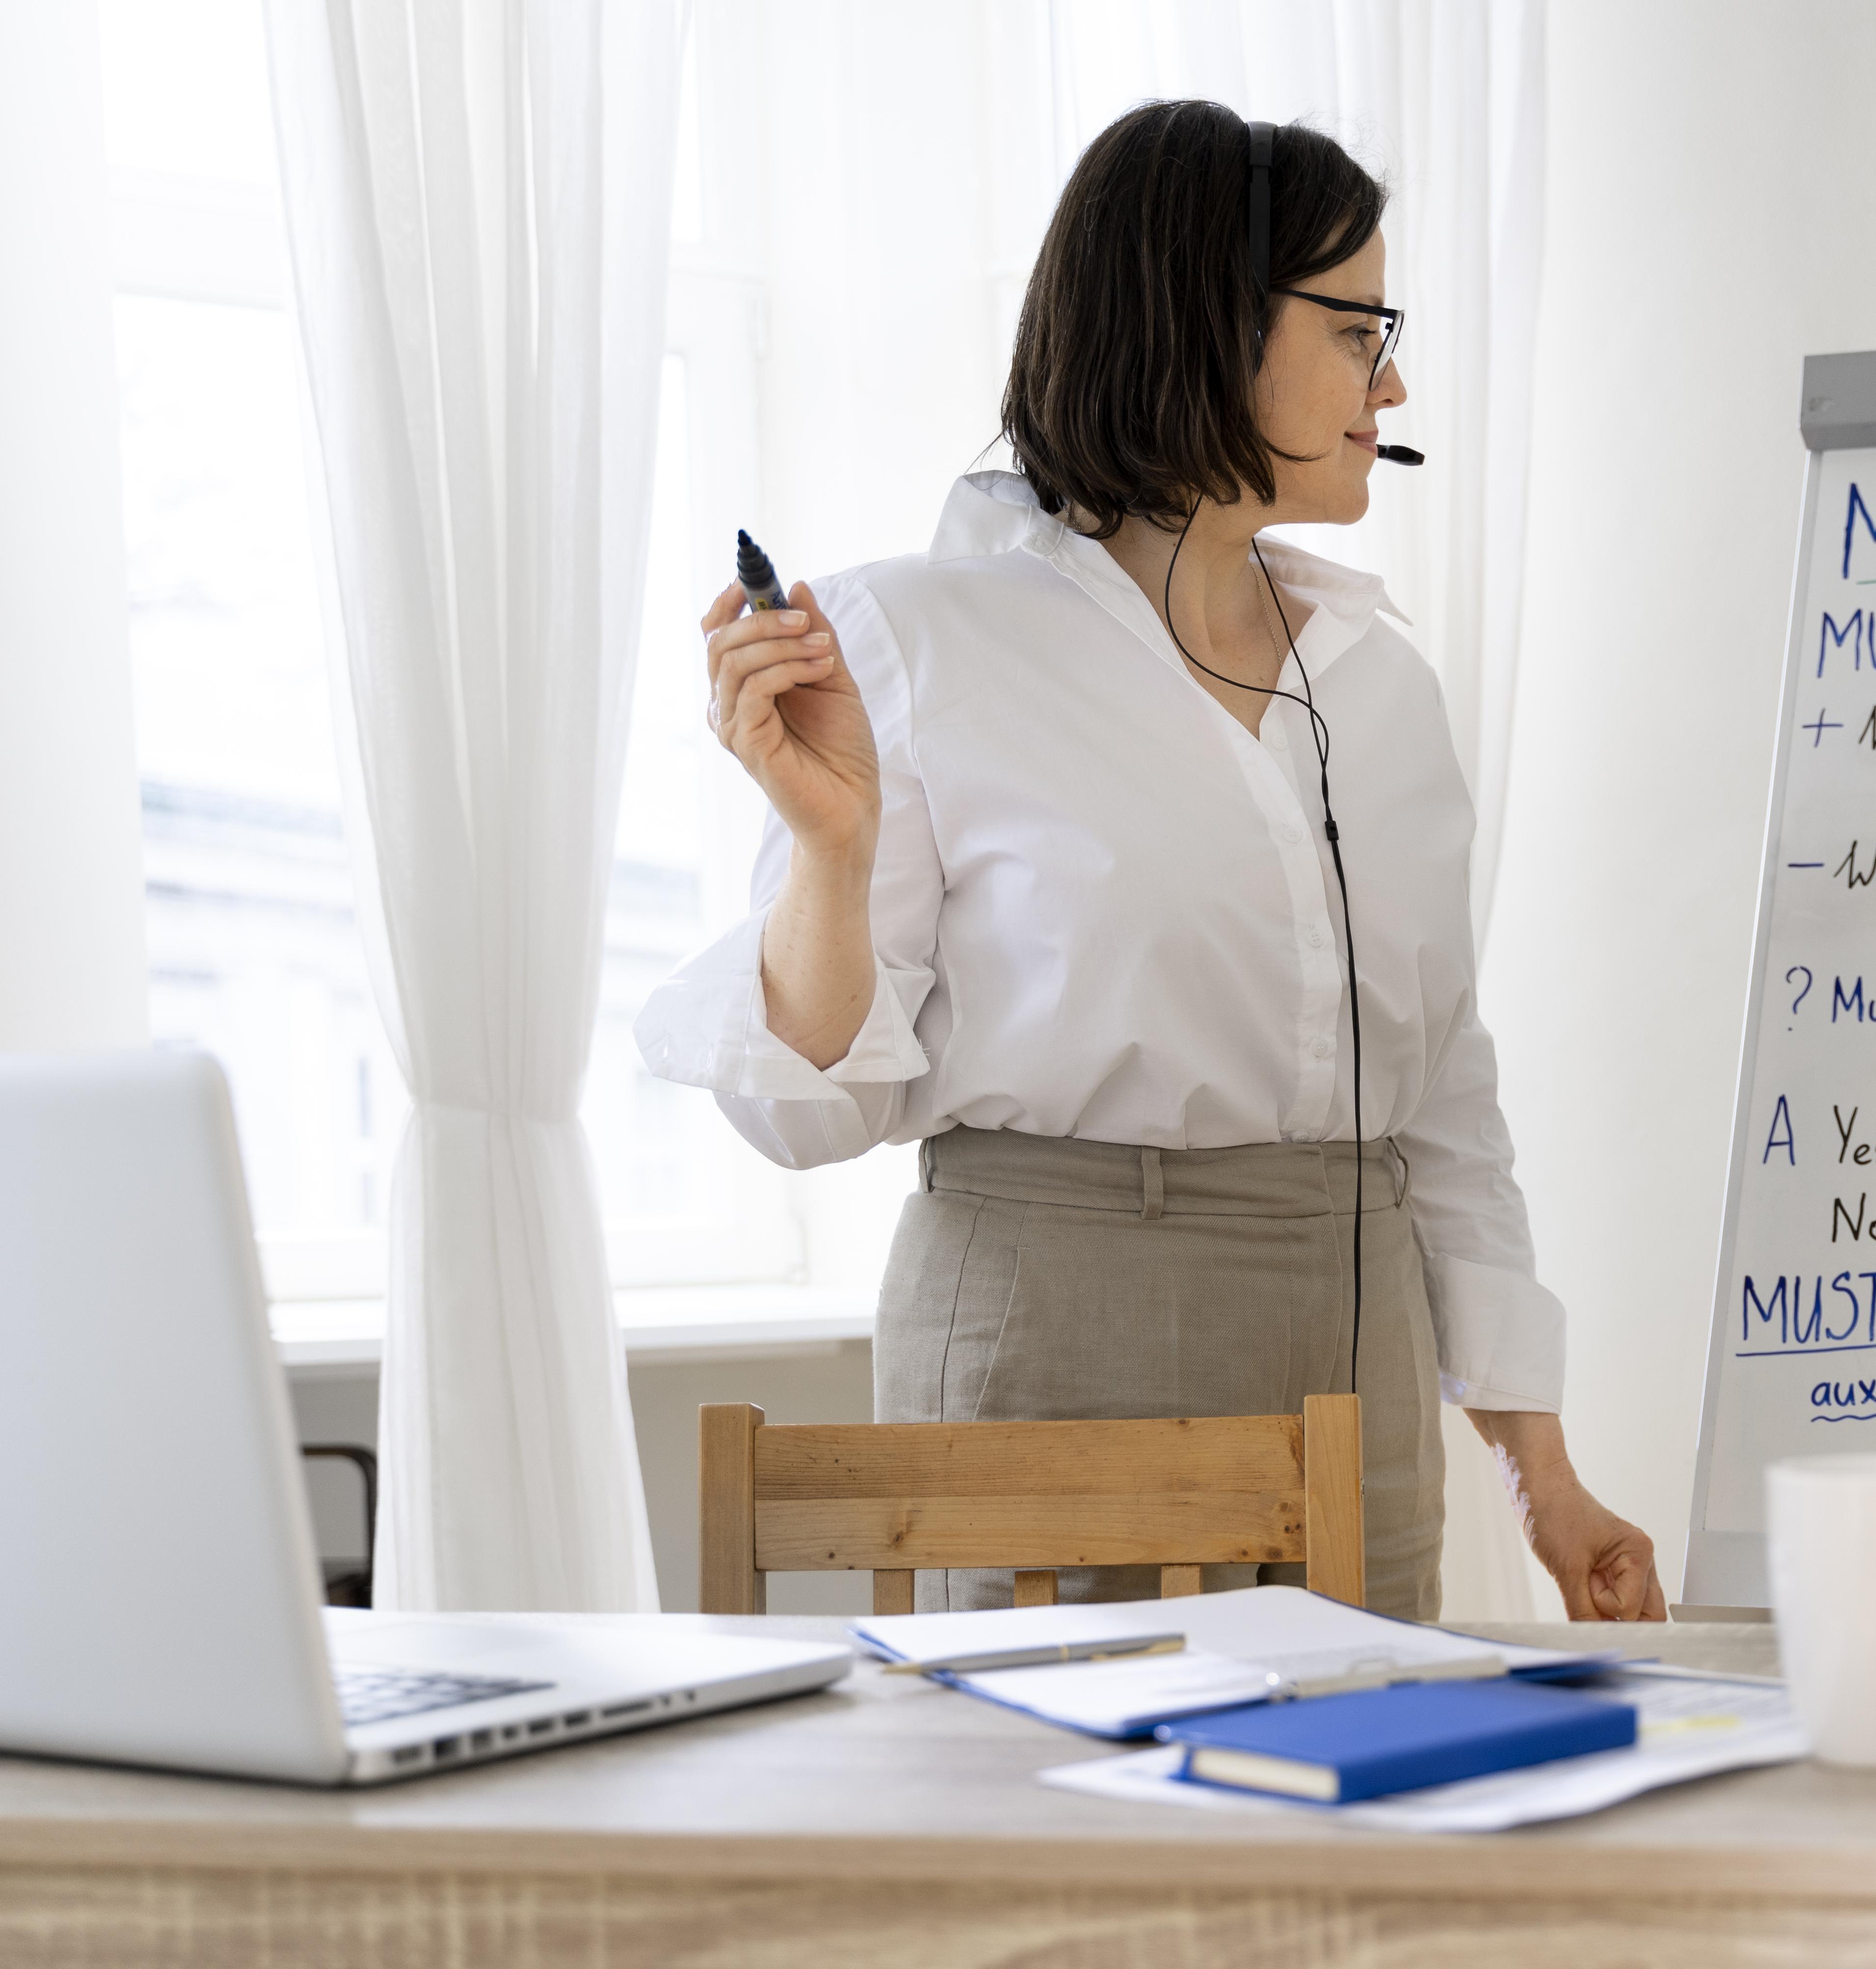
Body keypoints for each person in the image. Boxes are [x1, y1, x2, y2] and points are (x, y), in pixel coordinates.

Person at [636, 100, 1661, 1621]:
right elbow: (811, 1110)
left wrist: (1540, 1472)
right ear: (1206, 324)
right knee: (1057, 1840)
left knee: (1362, 1836)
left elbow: (1441, 1089)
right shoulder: (914, 642)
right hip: (1060, 1331)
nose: (1395, 381)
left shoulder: (1381, 683)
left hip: (1359, 1344)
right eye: (1357, 328)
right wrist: (831, 852)